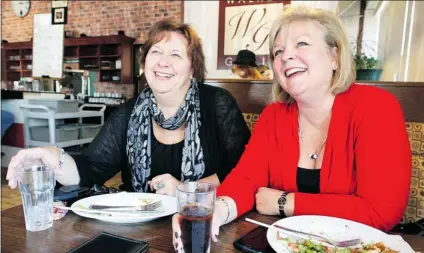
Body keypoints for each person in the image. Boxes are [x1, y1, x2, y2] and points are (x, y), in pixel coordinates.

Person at [173, 4, 411, 253]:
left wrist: (285, 202)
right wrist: (218, 211)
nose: (285, 56)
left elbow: (381, 211)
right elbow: (246, 178)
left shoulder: (376, 108)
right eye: (278, 51)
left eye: (302, 44)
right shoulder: (274, 116)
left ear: (334, 55)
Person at [6, 19, 251, 196]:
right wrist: (53, 156)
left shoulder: (217, 104)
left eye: (176, 55)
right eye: (156, 52)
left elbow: (244, 171)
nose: (163, 62)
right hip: (140, 229)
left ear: (193, 68)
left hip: (203, 226)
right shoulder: (128, 113)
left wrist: (186, 190)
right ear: (145, 63)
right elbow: (91, 169)